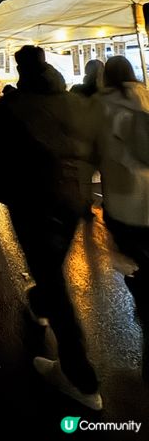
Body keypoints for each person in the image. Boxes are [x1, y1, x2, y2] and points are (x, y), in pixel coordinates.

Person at [0, 45, 103, 411]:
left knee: (53, 281)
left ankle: (80, 379)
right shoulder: (72, 102)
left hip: (34, 204)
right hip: (72, 202)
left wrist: (6, 194)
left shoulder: (12, 106)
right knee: (49, 271)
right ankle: (39, 305)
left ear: (20, 69)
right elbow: (93, 148)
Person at [98, 56, 149, 303]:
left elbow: (100, 150)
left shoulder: (103, 106)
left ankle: (143, 302)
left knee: (133, 254)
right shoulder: (146, 96)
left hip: (124, 193)